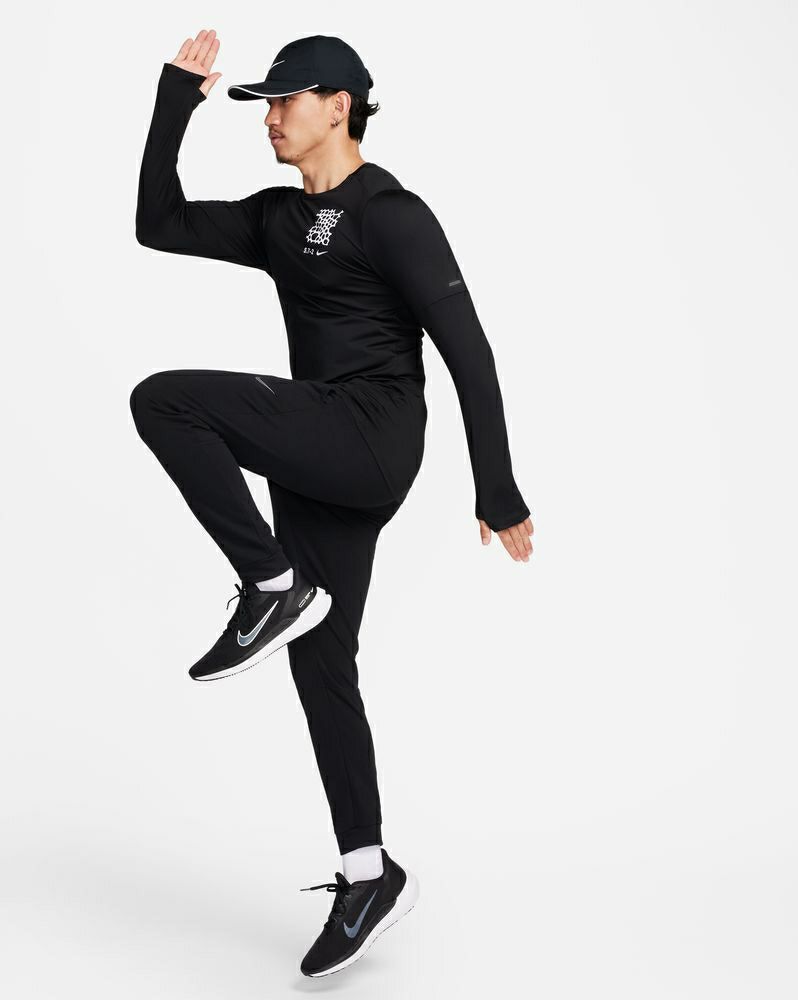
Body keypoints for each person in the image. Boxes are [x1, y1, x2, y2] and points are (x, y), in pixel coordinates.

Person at [130, 29, 534, 978]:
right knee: (321, 662)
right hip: (316, 451)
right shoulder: (277, 218)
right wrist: (173, 102)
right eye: (264, 103)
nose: (270, 117)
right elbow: (157, 222)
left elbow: (468, 351)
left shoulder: (393, 214)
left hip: (371, 436)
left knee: (166, 399)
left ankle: (271, 585)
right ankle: (369, 872)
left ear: (338, 106)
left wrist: (496, 484)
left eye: (285, 100)